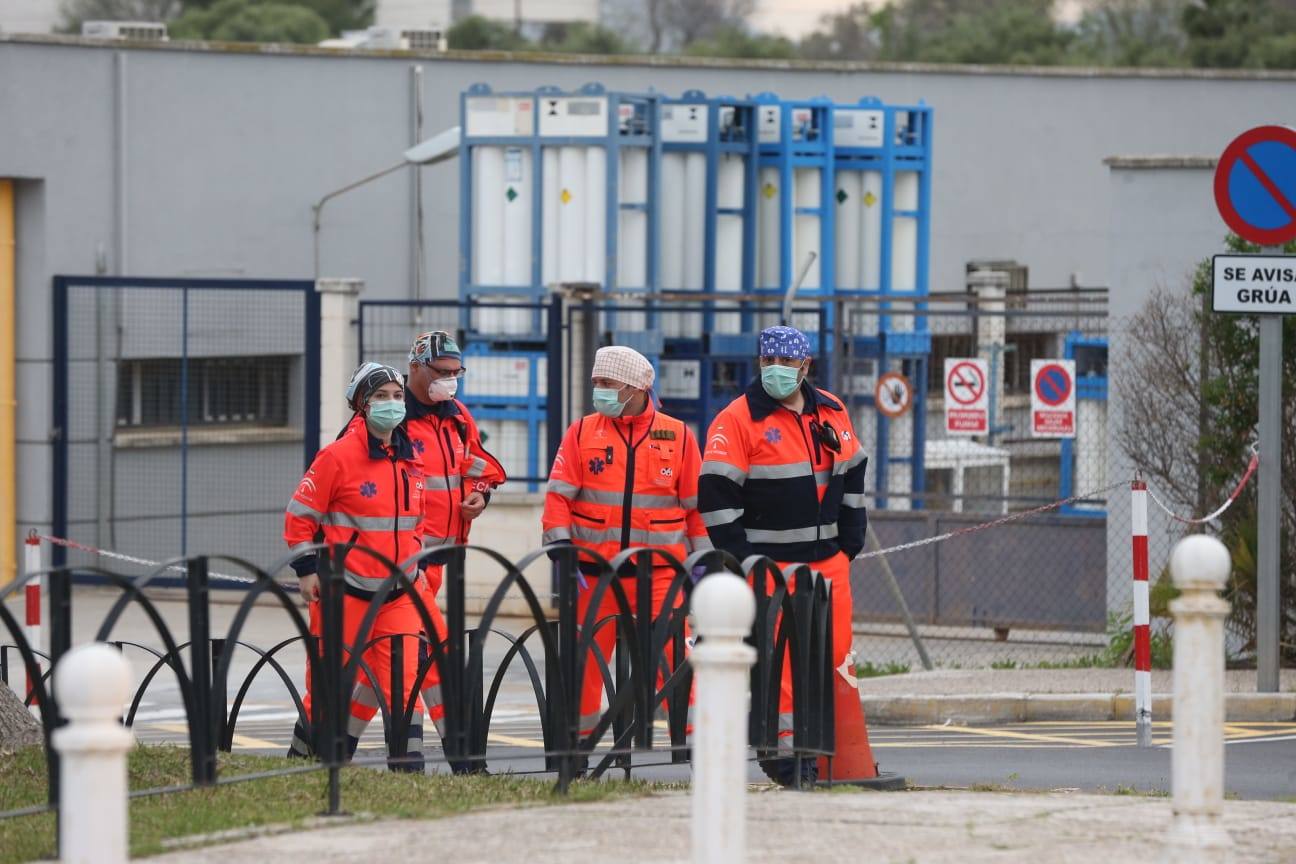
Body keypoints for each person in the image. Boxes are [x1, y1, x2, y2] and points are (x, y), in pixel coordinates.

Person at [697, 325, 868, 785]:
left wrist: (851, 543)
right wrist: (746, 559)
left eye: (786, 364)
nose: (776, 371)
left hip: (829, 562)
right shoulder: (736, 420)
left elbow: (852, 476)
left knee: (832, 658)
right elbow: (715, 497)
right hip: (770, 565)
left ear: (805, 367)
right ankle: (784, 756)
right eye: (768, 362)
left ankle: (822, 754)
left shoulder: (831, 411)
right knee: (784, 663)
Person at [542, 346, 710, 740]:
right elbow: (558, 498)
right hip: (593, 574)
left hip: (659, 576)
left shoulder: (679, 436)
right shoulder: (582, 432)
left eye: (607, 384)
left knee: (673, 659)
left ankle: (696, 742)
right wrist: (562, 551)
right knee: (583, 663)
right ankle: (576, 748)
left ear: (636, 388)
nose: (598, 391)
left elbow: (696, 509)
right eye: (596, 382)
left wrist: (703, 565)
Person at [284, 362, 429, 772]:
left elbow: (418, 522)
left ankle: (409, 774)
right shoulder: (337, 457)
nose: (392, 404)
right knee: (330, 689)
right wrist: (307, 569)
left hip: (397, 595)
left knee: (404, 688)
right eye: (381, 397)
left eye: (398, 396)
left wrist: (416, 567)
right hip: (342, 592)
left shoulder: (410, 458)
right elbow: (299, 516)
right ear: (362, 405)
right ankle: (303, 766)